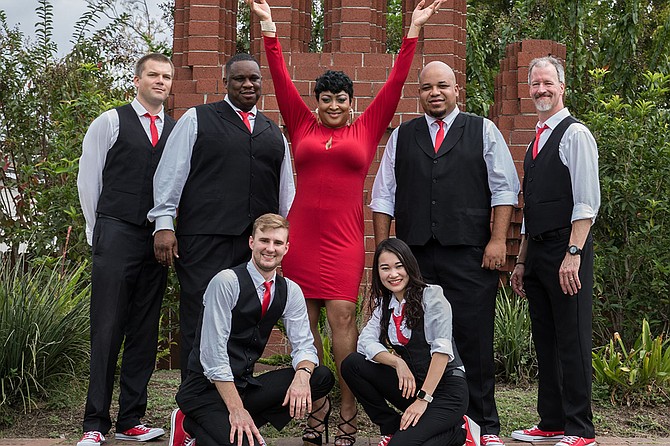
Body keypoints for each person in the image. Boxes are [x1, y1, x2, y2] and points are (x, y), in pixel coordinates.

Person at [247, 0, 443, 443]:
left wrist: (411, 29)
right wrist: (270, 28)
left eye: (341, 98)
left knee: (342, 321)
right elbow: (278, 79)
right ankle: (317, 413)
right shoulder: (300, 124)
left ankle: (349, 413)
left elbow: (394, 84)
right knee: (305, 327)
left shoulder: (366, 129)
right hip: (303, 240)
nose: (333, 104)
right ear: (315, 104)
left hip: (343, 241)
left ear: (352, 103)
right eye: (326, 99)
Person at [370, 61, 520, 446]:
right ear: (418, 93)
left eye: (442, 86)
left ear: (457, 92)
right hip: (415, 258)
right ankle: (439, 422)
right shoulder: (402, 137)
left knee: (474, 338)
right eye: (426, 88)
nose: (434, 93)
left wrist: (498, 241)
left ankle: (485, 425)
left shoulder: (483, 131)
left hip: (470, 253)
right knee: (421, 340)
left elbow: (504, 190)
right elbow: (383, 197)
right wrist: (385, 251)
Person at [148, 53, 295, 381]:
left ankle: (235, 404)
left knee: (242, 322)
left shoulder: (274, 133)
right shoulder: (197, 119)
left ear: (261, 84)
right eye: (239, 79)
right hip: (204, 240)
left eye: (254, 79)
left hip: (252, 249)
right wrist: (163, 225)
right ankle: (193, 405)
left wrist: (281, 241)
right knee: (200, 319)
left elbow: (286, 194)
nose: (247, 84)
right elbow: (171, 174)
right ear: (225, 82)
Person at [76, 53, 175, 446]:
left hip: (156, 238)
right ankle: (94, 424)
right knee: (107, 329)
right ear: (137, 80)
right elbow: (89, 179)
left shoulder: (175, 129)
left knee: (144, 330)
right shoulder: (111, 121)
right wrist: (97, 230)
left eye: (166, 76)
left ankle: (131, 419)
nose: (161, 81)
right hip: (115, 231)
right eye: (153, 75)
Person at [168, 213, 335, 446]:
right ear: (251, 243)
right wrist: (237, 411)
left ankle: (199, 427)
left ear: (286, 248)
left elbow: (305, 345)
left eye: (277, 243)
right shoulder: (226, 282)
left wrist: (302, 375)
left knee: (320, 377)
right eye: (264, 241)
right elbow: (213, 356)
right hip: (204, 392)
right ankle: (196, 421)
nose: (270, 248)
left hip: (244, 386)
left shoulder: (290, 291)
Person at [510, 56, 600, 446]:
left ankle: (581, 430)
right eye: (535, 84)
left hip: (569, 250)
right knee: (544, 339)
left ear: (563, 87)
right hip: (539, 253)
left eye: (548, 83)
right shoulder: (536, 139)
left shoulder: (575, 134)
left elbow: (587, 202)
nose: (541, 90)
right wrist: (521, 260)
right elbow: (532, 209)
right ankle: (551, 422)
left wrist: (574, 252)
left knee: (573, 339)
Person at [341, 238, 480, 446]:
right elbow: (365, 343)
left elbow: (442, 353)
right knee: (353, 364)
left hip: (446, 392)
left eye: (399, 266)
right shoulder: (384, 305)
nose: (393, 274)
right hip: (414, 386)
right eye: (385, 268)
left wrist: (423, 400)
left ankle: (461, 432)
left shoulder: (432, 296)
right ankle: (392, 426)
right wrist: (397, 363)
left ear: (410, 265)